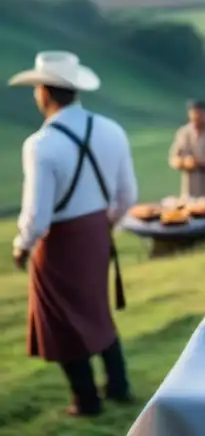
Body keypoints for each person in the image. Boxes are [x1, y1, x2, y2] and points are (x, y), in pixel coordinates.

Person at [8, 51, 136, 417]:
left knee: (63, 320)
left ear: (45, 93)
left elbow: (36, 214)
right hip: (97, 232)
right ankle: (118, 384)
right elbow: (127, 195)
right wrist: (103, 225)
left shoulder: (41, 144)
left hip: (61, 242)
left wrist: (22, 246)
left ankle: (86, 400)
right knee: (96, 310)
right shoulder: (111, 129)